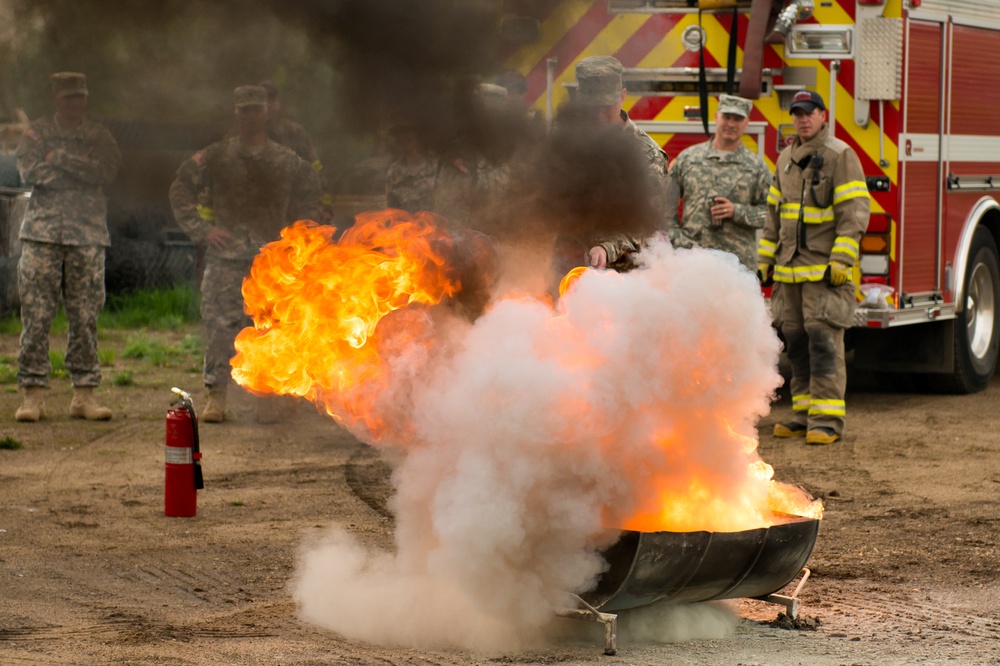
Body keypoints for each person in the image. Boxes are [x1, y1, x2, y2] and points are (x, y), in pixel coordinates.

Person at [170, 85, 322, 423]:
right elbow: (180, 186)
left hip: (270, 260)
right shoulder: (217, 156)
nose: (250, 116)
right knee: (219, 327)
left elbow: (313, 197)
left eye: (256, 109)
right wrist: (202, 230)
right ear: (235, 114)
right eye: (244, 110)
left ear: (267, 113)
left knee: (271, 328)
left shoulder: (286, 160)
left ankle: (268, 399)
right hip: (226, 257)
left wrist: (296, 239)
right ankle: (216, 397)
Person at [758, 90, 870, 445]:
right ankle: (802, 412)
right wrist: (765, 257)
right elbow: (774, 214)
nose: (802, 119)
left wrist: (842, 259)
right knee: (795, 341)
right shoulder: (786, 159)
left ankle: (827, 419)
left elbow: (853, 212)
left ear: (823, 115)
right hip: (790, 273)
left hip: (824, 272)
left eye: (809, 112)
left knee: (824, 341)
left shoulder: (840, 155)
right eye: (797, 113)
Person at [14, 72, 121, 422]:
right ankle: (32, 396)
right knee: (36, 316)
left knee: (85, 318)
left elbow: (105, 173)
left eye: (80, 96)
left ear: (86, 99)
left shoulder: (99, 135)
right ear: (56, 99)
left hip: (86, 237)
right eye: (68, 97)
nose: (75, 102)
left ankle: (84, 395)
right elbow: (30, 173)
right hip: (42, 236)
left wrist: (56, 157)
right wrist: (81, 165)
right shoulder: (35, 134)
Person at [572, 55, 669, 271]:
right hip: (562, 273)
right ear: (578, 96)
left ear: (622, 96)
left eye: (606, 104)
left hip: (619, 280)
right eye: (591, 104)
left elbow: (646, 226)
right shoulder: (562, 141)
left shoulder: (646, 154)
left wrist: (607, 248)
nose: (598, 114)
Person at [666, 94, 772, 270]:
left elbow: (771, 215)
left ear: (747, 123)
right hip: (691, 261)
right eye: (726, 117)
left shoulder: (756, 166)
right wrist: (675, 238)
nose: (731, 124)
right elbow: (664, 205)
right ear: (716, 117)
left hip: (737, 266)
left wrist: (737, 211)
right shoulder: (689, 158)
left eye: (738, 119)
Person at [257, 80, 333, 223]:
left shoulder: (294, 133)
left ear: (277, 103)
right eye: (263, 101)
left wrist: (326, 207)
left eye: (271, 100)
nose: (268, 105)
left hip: (294, 214)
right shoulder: (243, 136)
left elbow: (315, 169)